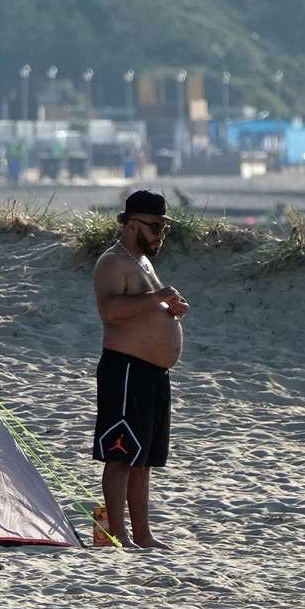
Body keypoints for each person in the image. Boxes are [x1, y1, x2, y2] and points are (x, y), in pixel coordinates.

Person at [91, 190, 189, 548]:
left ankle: (143, 534)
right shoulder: (113, 262)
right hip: (125, 369)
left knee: (142, 458)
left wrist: (170, 311)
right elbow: (111, 310)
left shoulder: (143, 263)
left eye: (164, 228)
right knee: (121, 454)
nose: (160, 235)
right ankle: (118, 532)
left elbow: (145, 308)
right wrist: (157, 299)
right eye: (155, 227)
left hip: (152, 372)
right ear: (133, 224)